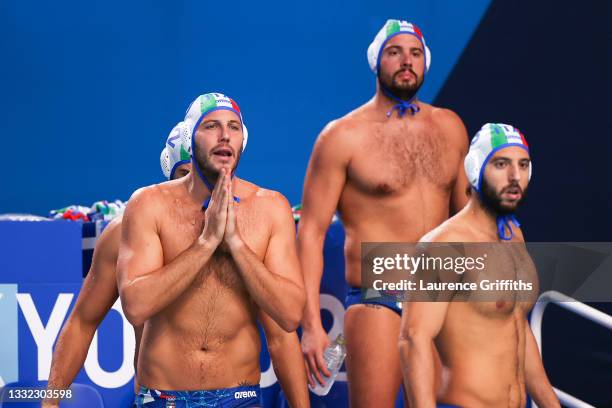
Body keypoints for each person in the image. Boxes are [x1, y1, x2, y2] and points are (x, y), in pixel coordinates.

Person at [298, 19, 469, 407]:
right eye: (395, 52)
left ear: (425, 62)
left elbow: (468, 220)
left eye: (415, 53)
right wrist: (310, 325)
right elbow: (310, 232)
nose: (406, 61)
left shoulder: (451, 127)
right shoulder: (343, 136)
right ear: (377, 61)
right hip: (380, 298)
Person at [117, 93, 306, 407]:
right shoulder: (149, 205)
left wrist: (235, 243)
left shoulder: (271, 208)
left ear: (242, 141)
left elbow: (289, 316)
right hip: (164, 398)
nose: (224, 135)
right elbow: (135, 305)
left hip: (239, 397)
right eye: (211, 126)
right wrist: (205, 243)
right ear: (190, 140)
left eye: (233, 127)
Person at [399, 123, 560, 408]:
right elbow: (414, 340)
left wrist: (550, 403)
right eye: (501, 164)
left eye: (523, 165)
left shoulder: (513, 236)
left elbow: (515, 325)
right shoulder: (444, 245)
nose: (515, 176)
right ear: (475, 169)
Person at [42, 122, 192, 408]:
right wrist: (50, 402)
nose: (192, 186)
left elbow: (279, 335)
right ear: (168, 176)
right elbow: (81, 323)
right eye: (184, 175)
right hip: (159, 398)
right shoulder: (126, 232)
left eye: (201, 175)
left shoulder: (242, 229)